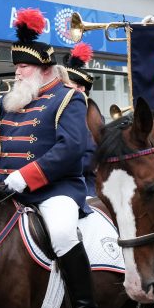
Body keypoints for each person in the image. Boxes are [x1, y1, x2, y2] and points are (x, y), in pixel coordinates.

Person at [0, 8, 98, 308]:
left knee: (63, 232)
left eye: (23, 66)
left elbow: (71, 148)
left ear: (43, 68)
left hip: (55, 189)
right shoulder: (14, 100)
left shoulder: (69, 98)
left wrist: (28, 175)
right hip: (9, 189)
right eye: (16, 66)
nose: (17, 72)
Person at [64, 41, 98, 197]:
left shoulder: (90, 115)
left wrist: (56, 168)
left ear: (81, 88)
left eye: (68, 85)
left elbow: (89, 159)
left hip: (84, 188)